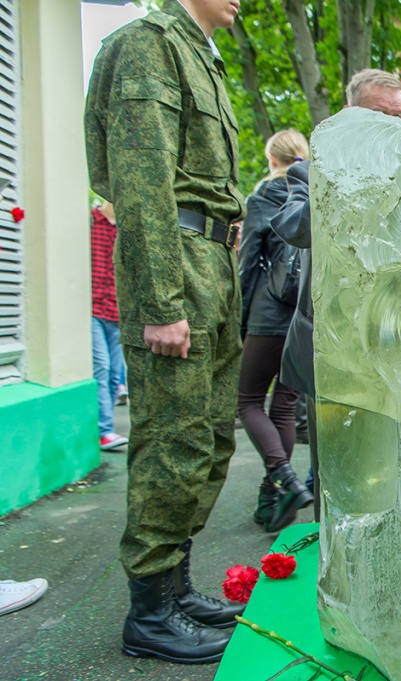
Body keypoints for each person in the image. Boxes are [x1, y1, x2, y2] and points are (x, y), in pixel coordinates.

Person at [85, 0, 246, 664]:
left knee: (207, 436)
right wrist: (159, 300)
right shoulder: (148, 43)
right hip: (175, 260)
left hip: (210, 262)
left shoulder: (198, 55)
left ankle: (174, 587)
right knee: (172, 439)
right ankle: (149, 611)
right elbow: (142, 178)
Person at [272, 69, 401, 522]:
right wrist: (340, 185)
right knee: (332, 470)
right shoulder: (309, 172)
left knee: (387, 468)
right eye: (379, 114)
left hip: (390, 349)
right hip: (329, 349)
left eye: (399, 117)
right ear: (349, 114)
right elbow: (294, 228)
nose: (390, 126)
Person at [237, 129, 313, 533]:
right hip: (303, 313)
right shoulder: (313, 189)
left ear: (272, 161)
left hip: (268, 313)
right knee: (283, 405)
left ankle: (284, 478)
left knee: (248, 399)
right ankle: (274, 495)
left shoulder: (262, 197)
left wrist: (240, 318)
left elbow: (249, 260)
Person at [91, 201, 129, 452]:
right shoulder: (91, 221)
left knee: (116, 373)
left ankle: (106, 428)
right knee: (101, 368)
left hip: (117, 310)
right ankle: (104, 431)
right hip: (93, 308)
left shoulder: (127, 228)